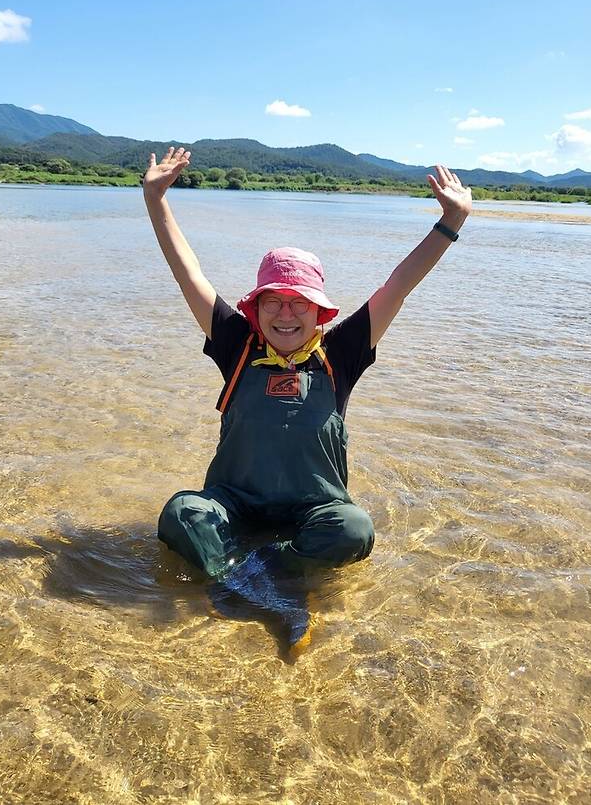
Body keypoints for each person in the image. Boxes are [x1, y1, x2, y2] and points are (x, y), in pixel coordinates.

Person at [143, 148, 471, 652]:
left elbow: (398, 286)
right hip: (233, 505)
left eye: (301, 303)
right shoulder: (236, 342)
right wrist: (155, 200)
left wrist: (450, 222)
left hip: (313, 510)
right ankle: (250, 581)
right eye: (274, 300)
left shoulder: (343, 351)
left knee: (354, 529)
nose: (287, 313)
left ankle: (269, 568)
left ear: (319, 312)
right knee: (182, 515)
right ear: (256, 309)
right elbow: (188, 273)